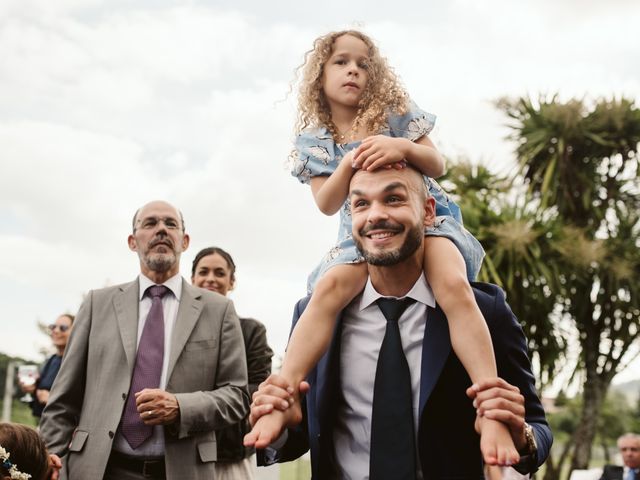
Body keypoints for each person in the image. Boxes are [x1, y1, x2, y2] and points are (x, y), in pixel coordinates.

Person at [245, 28, 516, 466]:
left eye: (363, 63)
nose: (353, 69)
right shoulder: (317, 140)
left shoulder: (393, 113)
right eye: (341, 62)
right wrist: (350, 161)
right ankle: (282, 397)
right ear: (320, 77)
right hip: (359, 234)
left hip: (430, 222)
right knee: (326, 294)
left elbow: (437, 164)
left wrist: (400, 145)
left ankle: (491, 409)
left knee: (452, 285)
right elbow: (327, 202)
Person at [250, 166, 552, 479]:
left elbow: (537, 427)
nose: (375, 215)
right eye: (361, 204)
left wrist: (521, 436)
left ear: (428, 211)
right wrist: (282, 425)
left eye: (394, 199)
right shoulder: (314, 314)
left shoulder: (484, 310)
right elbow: (298, 433)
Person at [39, 200, 249, 480]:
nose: (161, 229)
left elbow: (236, 396)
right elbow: (62, 401)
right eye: (150, 223)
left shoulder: (218, 310)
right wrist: (52, 462)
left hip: (183, 471)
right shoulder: (97, 304)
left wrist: (180, 407)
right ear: (132, 241)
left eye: (170, 224)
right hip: (97, 470)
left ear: (185, 241)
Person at [191, 246, 273, 479]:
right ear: (192, 279)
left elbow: (257, 389)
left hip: (229, 458)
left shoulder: (251, 331)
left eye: (219, 273)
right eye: (203, 272)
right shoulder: (174, 332)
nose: (210, 279)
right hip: (181, 454)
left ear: (232, 281)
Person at [19, 314, 74, 420]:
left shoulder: (78, 362)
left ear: (76, 331)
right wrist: (32, 390)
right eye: (53, 327)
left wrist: (51, 399)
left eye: (63, 328)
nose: (56, 331)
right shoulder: (51, 360)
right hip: (45, 424)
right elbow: (41, 396)